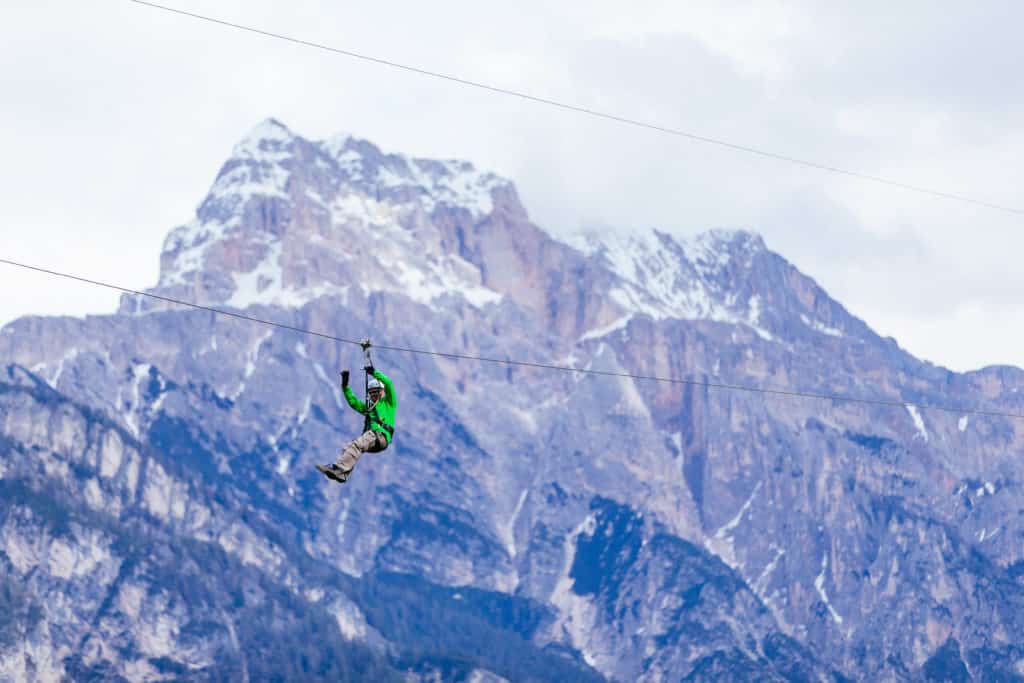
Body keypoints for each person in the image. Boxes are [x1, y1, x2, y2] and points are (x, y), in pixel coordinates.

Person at [317, 362, 397, 484]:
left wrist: (374, 373)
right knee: (349, 448)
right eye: (372, 392)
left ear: (382, 392)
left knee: (357, 445)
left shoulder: (389, 404)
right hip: (374, 441)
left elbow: (389, 383)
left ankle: (339, 468)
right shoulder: (369, 408)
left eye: (377, 391)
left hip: (380, 436)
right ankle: (343, 474)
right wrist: (345, 387)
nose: (374, 395)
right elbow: (353, 402)